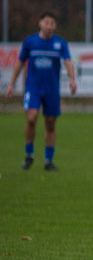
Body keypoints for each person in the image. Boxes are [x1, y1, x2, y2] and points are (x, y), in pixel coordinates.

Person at [5, 10, 77, 170]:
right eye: (47, 23)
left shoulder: (60, 43)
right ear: (40, 23)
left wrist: (72, 79)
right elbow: (19, 62)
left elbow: (68, 62)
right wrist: (11, 84)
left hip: (52, 89)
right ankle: (29, 155)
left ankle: (48, 161)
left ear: (55, 26)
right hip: (33, 88)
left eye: (52, 23)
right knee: (31, 118)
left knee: (50, 124)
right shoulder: (30, 42)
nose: (49, 26)